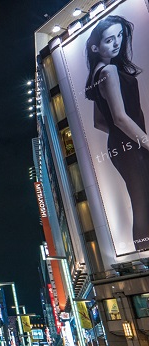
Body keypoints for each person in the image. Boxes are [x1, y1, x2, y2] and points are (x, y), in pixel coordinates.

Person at [85, 14, 149, 252]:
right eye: (109, 40)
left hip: (122, 145)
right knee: (142, 203)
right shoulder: (109, 71)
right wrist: (144, 141)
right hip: (132, 145)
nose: (117, 43)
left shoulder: (97, 73)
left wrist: (119, 134)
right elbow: (120, 118)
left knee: (141, 200)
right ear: (95, 46)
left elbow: (100, 121)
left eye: (120, 35)